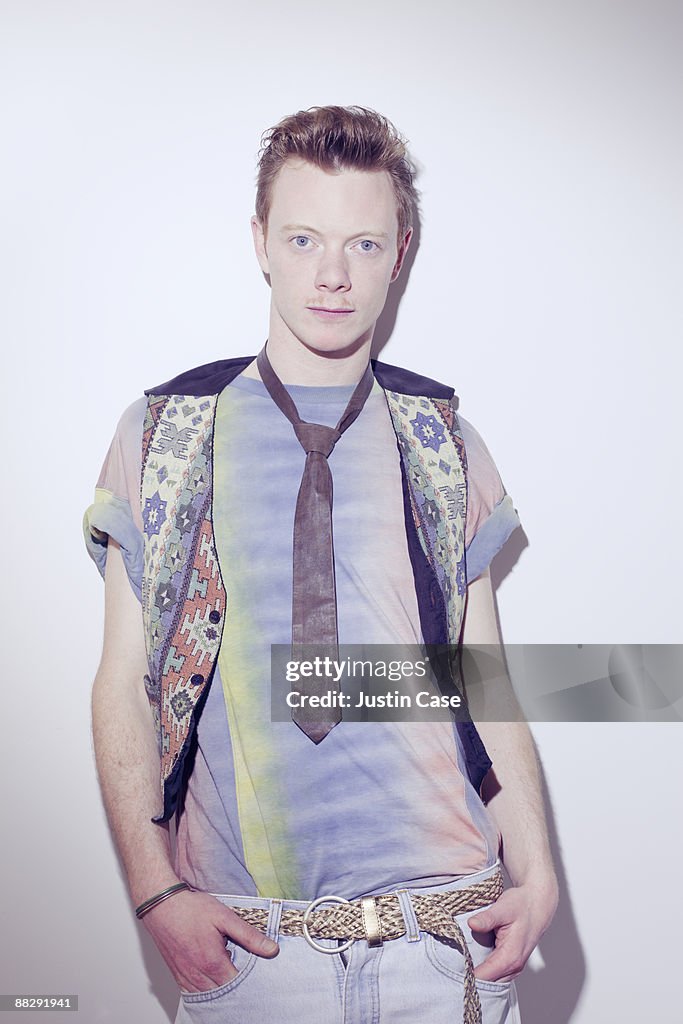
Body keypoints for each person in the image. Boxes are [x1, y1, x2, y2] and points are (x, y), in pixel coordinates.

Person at [85, 105, 558, 1024]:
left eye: (364, 244)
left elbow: (482, 679)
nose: (332, 275)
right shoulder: (165, 435)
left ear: (401, 250)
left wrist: (537, 873)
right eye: (303, 238)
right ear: (260, 240)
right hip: (253, 954)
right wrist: (156, 895)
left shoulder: (442, 442)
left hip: (446, 938)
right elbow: (120, 683)